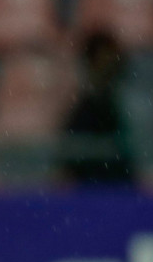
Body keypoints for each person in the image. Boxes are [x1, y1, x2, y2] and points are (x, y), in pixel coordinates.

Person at [57, 30, 136, 187]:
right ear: (91, 64)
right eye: (104, 62)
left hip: (122, 192)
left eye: (113, 62)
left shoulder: (127, 107)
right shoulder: (81, 112)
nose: (109, 68)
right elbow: (68, 168)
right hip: (90, 194)